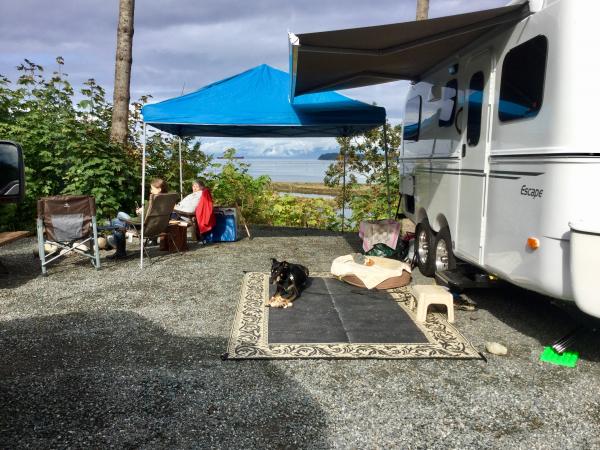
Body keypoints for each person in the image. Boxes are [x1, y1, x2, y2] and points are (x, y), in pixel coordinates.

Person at [108, 178, 168, 259]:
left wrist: (130, 220)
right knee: (117, 222)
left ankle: (119, 249)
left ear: (159, 189)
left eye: (152, 188)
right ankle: (118, 246)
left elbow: (141, 220)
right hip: (158, 227)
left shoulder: (153, 199)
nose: (151, 191)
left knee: (118, 217)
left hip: (143, 227)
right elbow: (152, 214)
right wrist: (142, 212)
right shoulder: (167, 199)